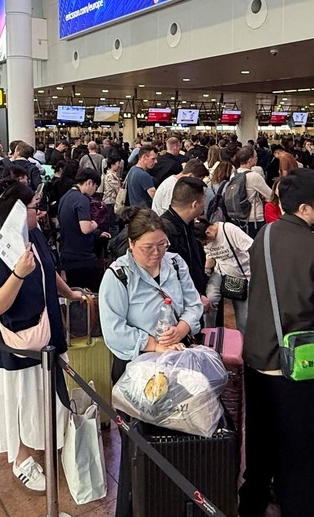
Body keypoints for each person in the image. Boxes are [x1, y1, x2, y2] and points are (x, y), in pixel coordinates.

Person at [239, 169, 314, 517]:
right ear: (304, 208)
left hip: (257, 353)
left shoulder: (265, 234)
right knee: (299, 449)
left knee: (260, 439)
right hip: (294, 361)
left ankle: (252, 502)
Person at [0, 178, 85, 492]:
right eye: (35, 207)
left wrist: (70, 294)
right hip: (16, 342)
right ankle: (21, 457)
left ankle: (42, 439)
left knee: (41, 394)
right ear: (16, 212)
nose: (41, 212)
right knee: (19, 400)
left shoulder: (32, 234)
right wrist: (18, 274)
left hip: (45, 332)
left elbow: (48, 270)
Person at [99, 206, 204, 517]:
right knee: (141, 447)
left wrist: (182, 328)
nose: (156, 253)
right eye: (148, 247)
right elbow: (114, 329)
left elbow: (194, 304)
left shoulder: (176, 263)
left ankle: (175, 504)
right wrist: (154, 345)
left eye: (161, 245)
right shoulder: (118, 275)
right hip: (138, 370)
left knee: (178, 441)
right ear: (131, 244)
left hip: (178, 362)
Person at [161, 176, 210, 315]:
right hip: (179, 309)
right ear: (195, 204)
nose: (205, 204)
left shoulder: (186, 225)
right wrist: (195, 297)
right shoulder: (166, 231)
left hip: (191, 302)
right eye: (203, 200)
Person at [198, 218, 254, 332]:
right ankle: (209, 332)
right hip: (220, 272)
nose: (207, 244)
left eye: (206, 242)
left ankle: (243, 338)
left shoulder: (229, 230)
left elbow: (252, 247)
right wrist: (205, 272)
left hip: (240, 275)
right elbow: (211, 257)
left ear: (208, 232)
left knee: (243, 318)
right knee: (210, 300)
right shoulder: (204, 238)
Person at [57, 167, 105, 290]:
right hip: (82, 255)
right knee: (91, 291)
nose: (94, 192)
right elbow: (85, 228)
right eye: (95, 187)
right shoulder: (82, 199)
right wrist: (95, 224)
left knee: (74, 291)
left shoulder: (65, 196)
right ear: (89, 182)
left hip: (66, 253)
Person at [231, 146, 273, 236]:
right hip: (254, 218)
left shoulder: (234, 174)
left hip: (238, 216)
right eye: (255, 157)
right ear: (250, 160)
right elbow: (270, 196)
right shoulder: (254, 176)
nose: (257, 159)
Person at [125, 144, 158, 208]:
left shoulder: (132, 169)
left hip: (134, 210)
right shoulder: (144, 175)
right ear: (144, 157)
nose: (156, 161)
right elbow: (155, 197)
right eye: (153, 159)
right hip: (145, 211)